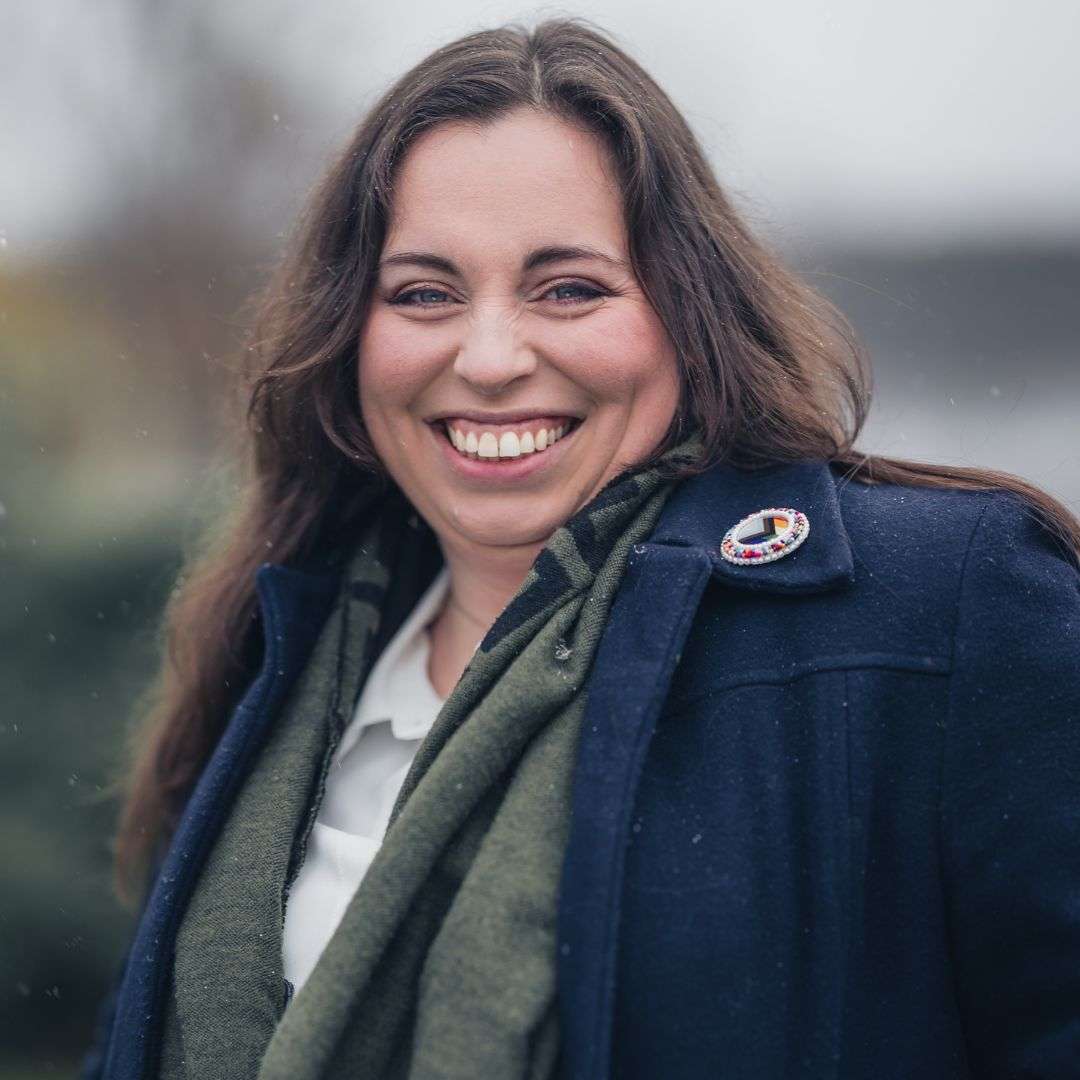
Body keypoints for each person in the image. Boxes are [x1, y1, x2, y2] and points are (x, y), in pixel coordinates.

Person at [83, 17, 1080, 1080]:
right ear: (349, 334)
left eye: (570, 288)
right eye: (423, 292)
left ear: (687, 311)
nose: (492, 356)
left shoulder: (948, 607)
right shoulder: (275, 660)